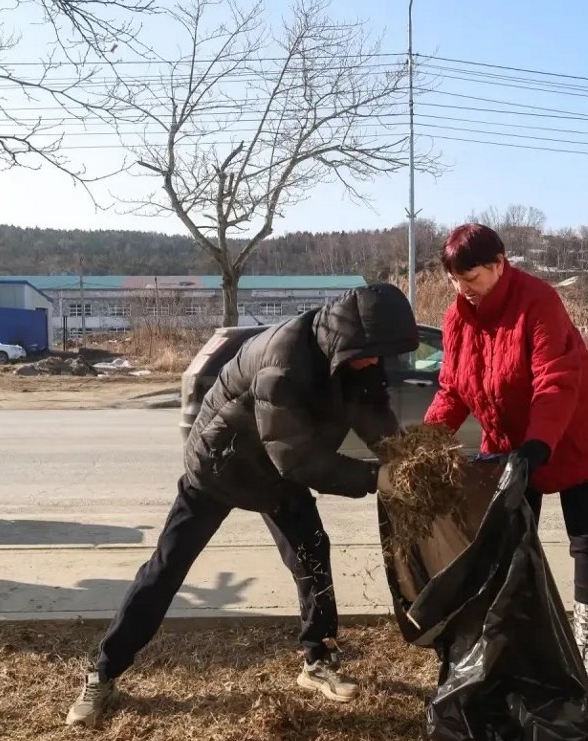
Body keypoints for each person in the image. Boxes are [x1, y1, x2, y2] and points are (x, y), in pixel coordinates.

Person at [66, 283, 418, 727]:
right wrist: (374, 478)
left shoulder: (352, 355)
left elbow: (372, 410)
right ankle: (103, 674)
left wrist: (401, 456)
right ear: (353, 338)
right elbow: (297, 457)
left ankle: (318, 660)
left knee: (312, 554)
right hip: (221, 467)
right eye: (373, 354)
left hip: (276, 474)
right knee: (167, 567)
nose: (375, 363)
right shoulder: (284, 361)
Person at [423, 223, 588, 696]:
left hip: (576, 436)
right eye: (454, 280)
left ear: (499, 264)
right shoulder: (457, 319)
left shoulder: (538, 302)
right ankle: (514, 638)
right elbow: (453, 389)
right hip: (509, 444)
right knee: (504, 544)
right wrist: (426, 440)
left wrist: (538, 444)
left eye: (471, 277)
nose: (462, 289)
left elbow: (554, 379)